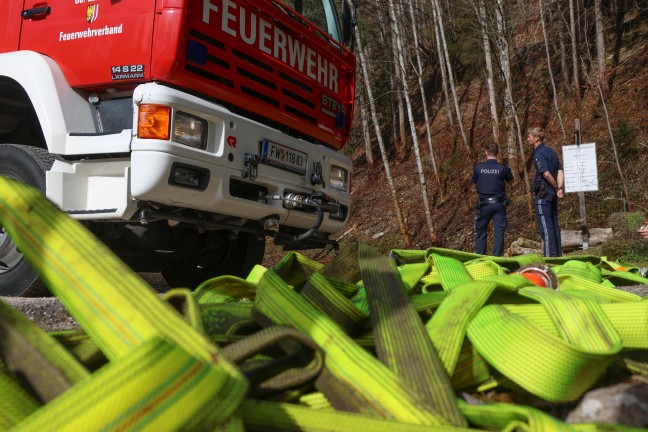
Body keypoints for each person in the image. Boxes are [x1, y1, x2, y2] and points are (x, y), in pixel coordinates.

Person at [527, 127, 564, 257]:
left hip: (544, 195)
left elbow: (546, 174)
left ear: (536, 138)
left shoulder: (539, 153)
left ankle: (550, 258)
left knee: (546, 227)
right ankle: (558, 255)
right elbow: (560, 171)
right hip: (552, 195)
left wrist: (554, 187)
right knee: (554, 225)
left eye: (529, 136)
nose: (528, 139)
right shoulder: (552, 152)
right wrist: (559, 187)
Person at [472, 142, 514, 256]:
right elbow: (511, 180)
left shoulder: (478, 168)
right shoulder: (502, 168)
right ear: (498, 152)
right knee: (499, 232)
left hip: (484, 204)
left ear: (486, 152)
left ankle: (480, 256)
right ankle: (497, 257)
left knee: (481, 231)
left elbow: (475, 182)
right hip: (499, 204)